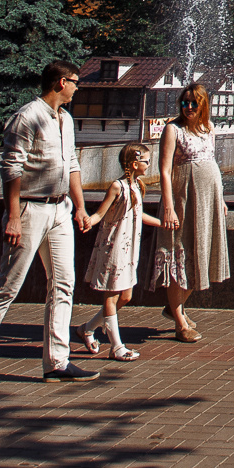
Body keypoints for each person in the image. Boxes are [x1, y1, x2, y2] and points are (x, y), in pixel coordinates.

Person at [0, 59, 101, 385]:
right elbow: (11, 169)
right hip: (29, 210)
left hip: (60, 209)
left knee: (64, 283)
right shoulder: (27, 118)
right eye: (76, 82)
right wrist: (12, 216)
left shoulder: (66, 119)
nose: (79, 87)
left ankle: (57, 362)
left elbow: (73, 166)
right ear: (60, 83)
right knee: (9, 284)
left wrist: (79, 208)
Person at [150, 82, 231, 341]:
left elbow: (211, 161)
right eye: (184, 102)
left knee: (201, 253)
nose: (188, 107)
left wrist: (222, 199)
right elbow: (164, 170)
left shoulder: (209, 129)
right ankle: (180, 323)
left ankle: (174, 309)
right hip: (184, 197)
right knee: (180, 254)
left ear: (204, 104)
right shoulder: (173, 129)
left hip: (208, 199)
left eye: (194, 103)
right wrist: (169, 208)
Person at [76, 142, 160, 360]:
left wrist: (162, 223)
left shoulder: (138, 186)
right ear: (134, 163)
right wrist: (88, 221)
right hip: (113, 248)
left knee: (126, 296)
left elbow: (138, 214)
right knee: (111, 296)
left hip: (130, 248)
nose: (149, 165)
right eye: (146, 161)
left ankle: (86, 328)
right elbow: (100, 214)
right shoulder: (117, 187)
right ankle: (116, 347)